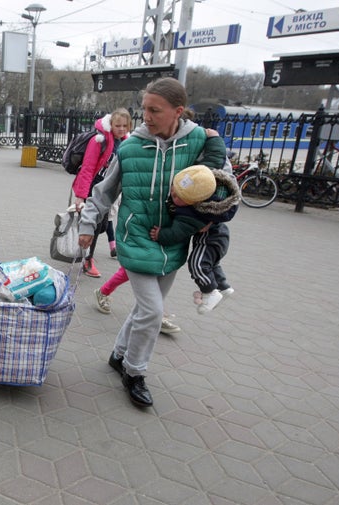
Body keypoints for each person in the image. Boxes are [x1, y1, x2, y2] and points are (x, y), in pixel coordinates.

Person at [77, 77, 229, 409]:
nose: (145, 116)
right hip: (136, 239)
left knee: (145, 310)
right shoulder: (130, 147)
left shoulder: (201, 143)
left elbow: (225, 186)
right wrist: (88, 225)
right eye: (144, 108)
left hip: (174, 244)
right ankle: (135, 372)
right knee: (153, 311)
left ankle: (118, 355)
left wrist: (208, 218)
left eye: (154, 110)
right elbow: (104, 192)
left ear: (178, 111)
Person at [150, 165, 239, 314]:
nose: (173, 195)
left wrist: (160, 235)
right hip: (220, 236)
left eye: (178, 197)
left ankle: (210, 292)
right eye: (173, 189)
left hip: (210, 240)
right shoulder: (207, 196)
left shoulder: (191, 214)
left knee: (197, 264)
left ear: (193, 200)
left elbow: (176, 234)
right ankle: (223, 287)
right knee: (211, 264)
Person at [73, 109, 132, 278]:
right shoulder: (99, 141)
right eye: (117, 125)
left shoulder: (126, 143)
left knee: (103, 225)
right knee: (94, 224)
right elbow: (88, 168)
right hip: (92, 187)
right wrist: (81, 195)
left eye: (125, 126)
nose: (121, 129)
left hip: (108, 189)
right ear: (110, 125)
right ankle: (87, 260)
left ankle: (83, 248)